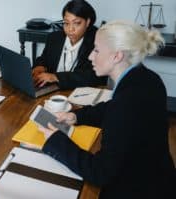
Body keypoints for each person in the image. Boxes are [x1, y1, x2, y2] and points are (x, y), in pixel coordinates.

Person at [39, 20, 176, 198]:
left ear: (117, 56)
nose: (90, 56)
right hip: (160, 177)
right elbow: (113, 108)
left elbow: (100, 173)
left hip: (138, 190)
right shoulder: (147, 79)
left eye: (96, 50)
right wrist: (75, 116)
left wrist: (56, 141)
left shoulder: (126, 104)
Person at [32, 0, 107, 89]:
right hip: (52, 92)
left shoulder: (96, 42)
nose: (70, 29)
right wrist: (39, 66)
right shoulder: (54, 38)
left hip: (80, 93)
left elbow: (94, 77)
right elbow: (44, 58)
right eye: (66, 23)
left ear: (87, 22)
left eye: (77, 23)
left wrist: (56, 77)